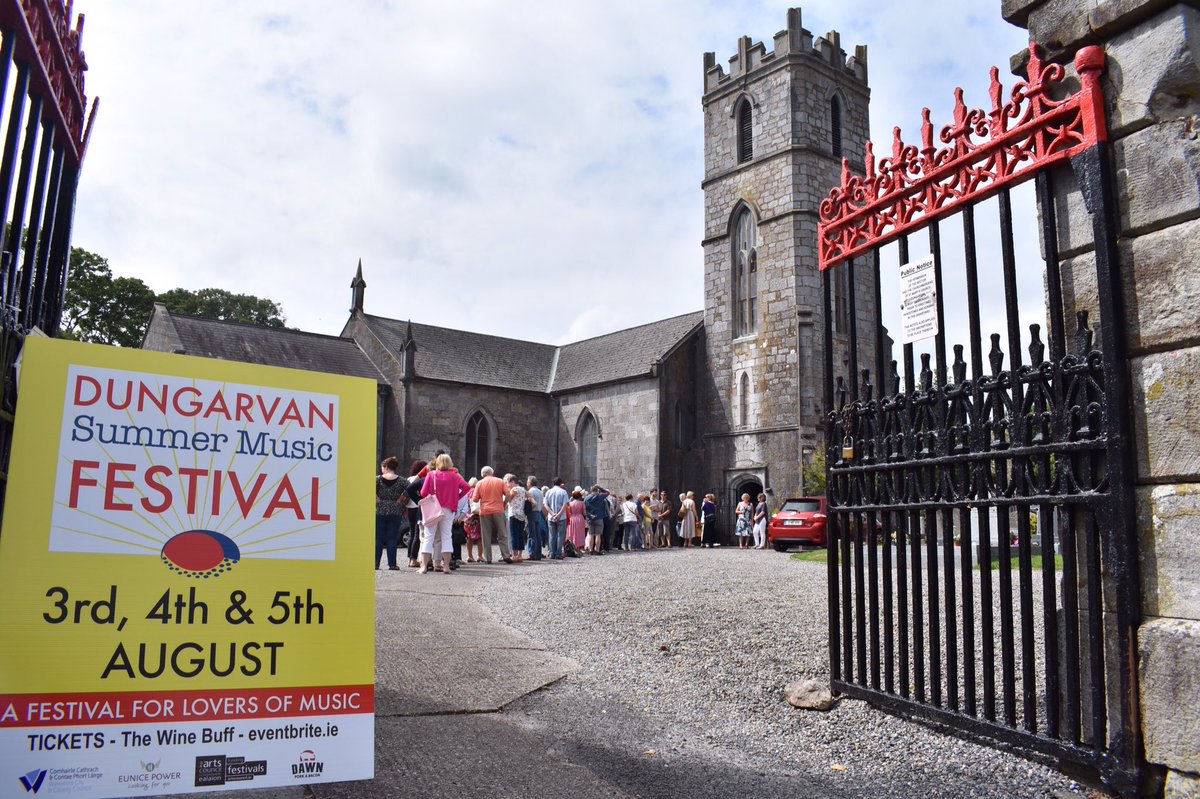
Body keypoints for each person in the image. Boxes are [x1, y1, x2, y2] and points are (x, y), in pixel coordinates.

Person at [418, 454, 472, 574]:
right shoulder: (455, 476)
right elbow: (467, 487)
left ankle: (424, 567)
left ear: (437, 463)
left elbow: (422, 493)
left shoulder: (431, 475)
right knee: (446, 537)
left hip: (433, 508)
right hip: (448, 509)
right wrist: (457, 497)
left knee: (428, 536)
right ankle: (446, 567)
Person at [471, 466, 513, 564]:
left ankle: (488, 558)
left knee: (486, 535)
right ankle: (506, 555)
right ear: (492, 472)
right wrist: (504, 504)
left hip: (485, 511)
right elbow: (508, 494)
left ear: (482, 474)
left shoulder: (479, 483)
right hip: (498, 509)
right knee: (502, 534)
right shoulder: (499, 481)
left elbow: (475, 499)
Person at [375, 456, 408, 570]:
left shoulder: (378, 479)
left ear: (386, 467)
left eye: (382, 468)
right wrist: (401, 499)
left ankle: (376, 563)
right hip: (395, 509)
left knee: (378, 538)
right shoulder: (402, 480)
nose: (381, 470)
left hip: (380, 509)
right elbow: (410, 489)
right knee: (392, 538)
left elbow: (368, 489)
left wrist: (377, 499)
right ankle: (392, 564)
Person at [403, 460, 428, 567]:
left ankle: (410, 558)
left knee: (412, 532)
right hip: (419, 508)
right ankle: (414, 559)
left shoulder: (409, 479)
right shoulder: (423, 479)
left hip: (409, 508)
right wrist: (419, 500)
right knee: (418, 534)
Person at [544, 478, 570, 560]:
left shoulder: (548, 492)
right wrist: (559, 514)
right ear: (560, 483)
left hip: (551, 517)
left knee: (552, 535)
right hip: (561, 517)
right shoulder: (563, 492)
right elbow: (565, 505)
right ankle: (558, 553)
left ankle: (552, 553)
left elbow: (545, 504)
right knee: (560, 535)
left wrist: (552, 513)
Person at [505, 474, 527, 562]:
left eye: (508, 483)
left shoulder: (514, 489)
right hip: (521, 514)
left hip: (513, 514)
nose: (507, 485)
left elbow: (508, 499)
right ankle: (520, 555)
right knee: (520, 535)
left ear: (512, 482)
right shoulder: (523, 489)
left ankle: (514, 555)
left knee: (514, 534)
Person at [525, 476, 545, 561]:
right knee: (537, 534)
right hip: (538, 513)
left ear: (530, 483)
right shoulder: (540, 492)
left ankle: (532, 554)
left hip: (532, 513)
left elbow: (530, 504)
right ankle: (538, 553)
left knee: (531, 534)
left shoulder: (530, 492)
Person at [584, 485, 608, 555]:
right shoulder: (600, 496)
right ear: (597, 490)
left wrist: (590, 515)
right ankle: (597, 550)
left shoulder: (586, 498)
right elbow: (607, 493)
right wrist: (600, 487)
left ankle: (591, 550)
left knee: (591, 534)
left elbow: (585, 509)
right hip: (599, 517)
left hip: (590, 518)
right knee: (598, 534)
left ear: (591, 491)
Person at [464, 478, 483, 562]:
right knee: (480, 537)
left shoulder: (466, 492)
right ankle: (480, 556)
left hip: (467, 517)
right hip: (477, 516)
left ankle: (469, 556)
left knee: (469, 537)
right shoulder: (478, 491)